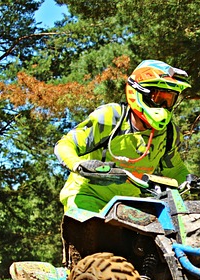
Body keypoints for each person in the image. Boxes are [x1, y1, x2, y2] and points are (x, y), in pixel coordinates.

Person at [54, 59, 192, 213]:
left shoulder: (169, 133)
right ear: (140, 92)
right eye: (159, 98)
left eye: (169, 100)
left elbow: (176, 171)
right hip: (86, 197)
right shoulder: (110, 118)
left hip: (128, 204)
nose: (164, 107)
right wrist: (78, 165)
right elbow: (65, 145)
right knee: (91, 233)